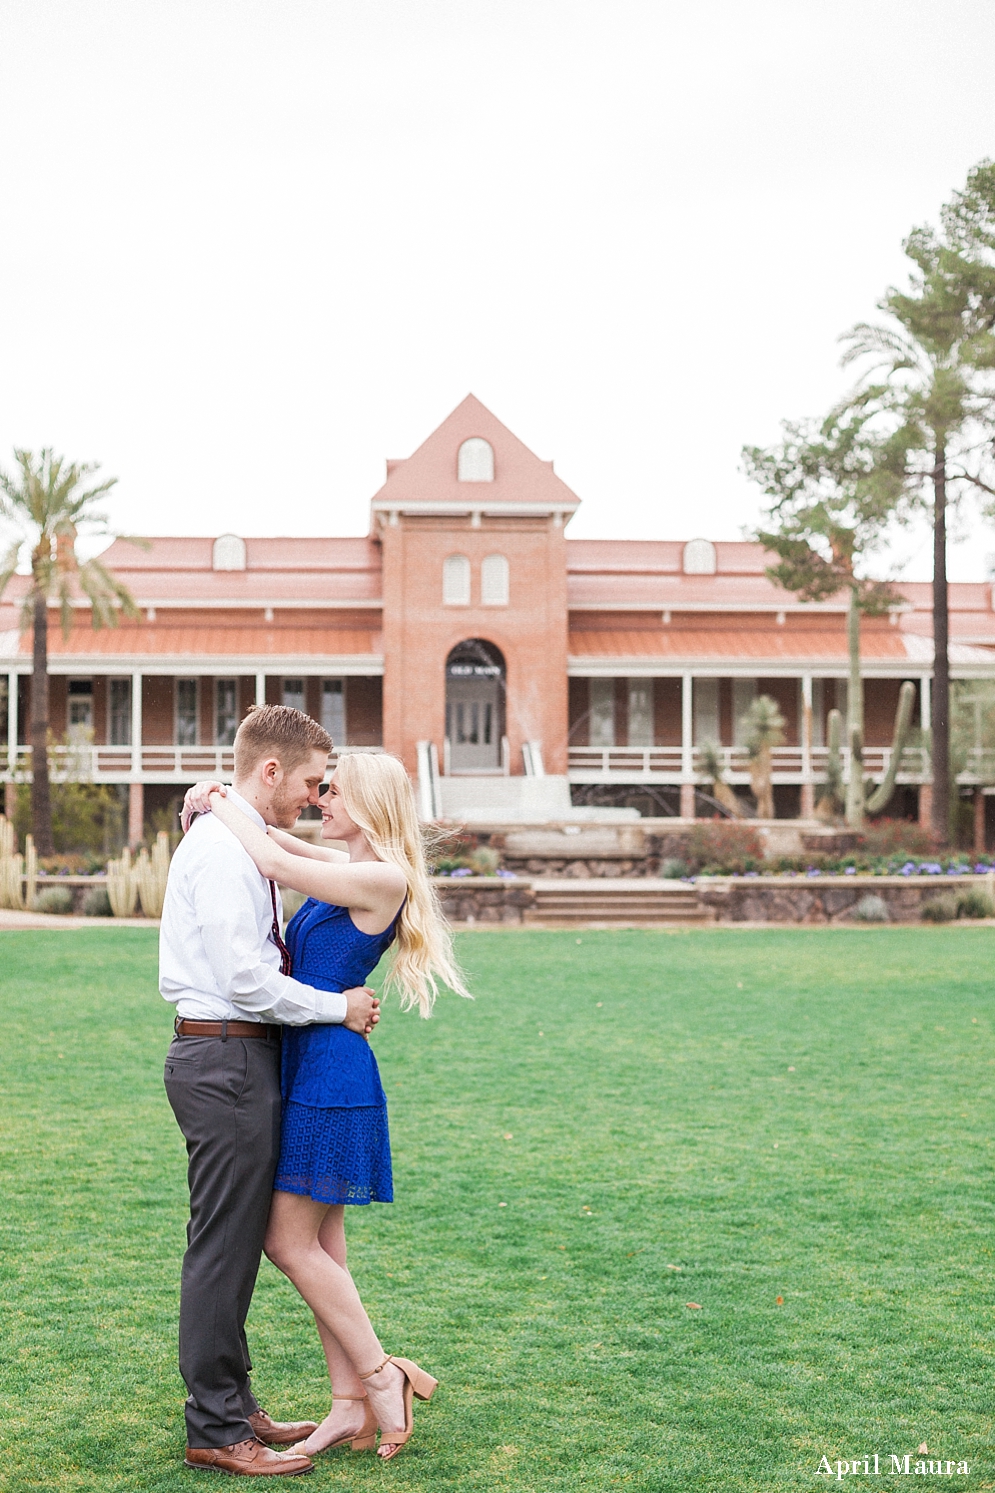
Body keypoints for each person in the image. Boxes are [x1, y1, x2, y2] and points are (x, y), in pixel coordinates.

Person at [180, 750, 469, 1462]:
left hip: (331, 1074)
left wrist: (217, 804)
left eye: (331, 791)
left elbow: (274, 862)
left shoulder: (381, 876)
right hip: (308, 1054)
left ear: (368, 802)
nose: (319, 800)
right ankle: (347, 1407)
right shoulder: (348, 867)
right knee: (324, 1247)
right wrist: (218, 798)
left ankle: (381, 1374)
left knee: (287, 1241)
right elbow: (275, 841)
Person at [160, 705, 380, 1478]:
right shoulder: (224, 851)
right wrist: (339, 1007)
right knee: (223, 1244)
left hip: (238, 1059)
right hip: (225, 1059)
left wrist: (209, 796)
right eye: (311, 783)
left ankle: (233, 1403)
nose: (314, 800)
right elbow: (246, 980)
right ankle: (216, 1425)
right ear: (271, 770)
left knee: (234, 1240)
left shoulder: (234, 838)